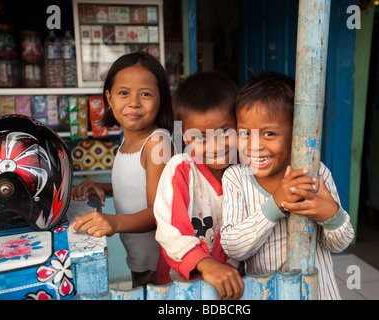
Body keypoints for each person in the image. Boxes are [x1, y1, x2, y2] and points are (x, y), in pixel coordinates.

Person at [220, 71, 355, 300]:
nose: (254, 146)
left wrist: (330, 215)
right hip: (266, 295)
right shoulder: (236, 178)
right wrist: (274, 206)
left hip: (317, 294)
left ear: (296, 134)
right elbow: (233, 247)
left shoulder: (315, 173)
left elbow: (339, 244)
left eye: (269, 133)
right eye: (245, 133)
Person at [71, 52, 174, 288]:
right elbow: (135, 186)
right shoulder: (127, 140)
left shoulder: (158, 143)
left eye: (145, 94)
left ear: (161, 99)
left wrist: (113, 222)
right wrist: (103, 188)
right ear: (109, 98)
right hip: (140, 258)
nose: (134, 102)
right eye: (123, 93)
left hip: (159, 263)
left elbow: (159, 212)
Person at [153, 72, 245, 300]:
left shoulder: (249, 170)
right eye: (201, 137)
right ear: (185, 136)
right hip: (182, 289)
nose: (216, 145)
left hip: (235, 286)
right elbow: (169, 231)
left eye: (225, 131)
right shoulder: (180, 171)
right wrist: (204, 263)